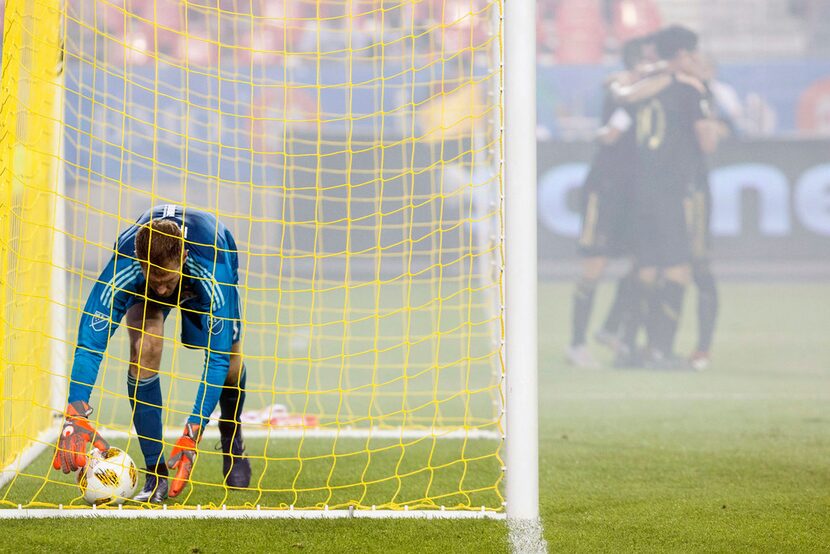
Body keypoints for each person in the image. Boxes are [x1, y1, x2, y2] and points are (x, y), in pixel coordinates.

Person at [52, 205, 250, 502]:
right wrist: (75, 413)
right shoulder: (126, 265)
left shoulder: (212, 265)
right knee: (145, 348)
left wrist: (192, 434)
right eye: (153, 279)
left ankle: (231, 436)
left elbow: (218, 358)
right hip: (151, 278)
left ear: (182, 258)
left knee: (232, 364)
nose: (160, 290)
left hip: (205, 272)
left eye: (167, 281)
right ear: (140, 262)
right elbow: (90, 343)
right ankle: (155, 472)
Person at [614, 25, 727, 369]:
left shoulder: (640, 87)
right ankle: (662, 350)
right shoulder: (690, 89)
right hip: (680, 190)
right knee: (684, 267)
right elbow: (706, 142)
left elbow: (621, 103)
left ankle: (628, 346)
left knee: (646, 267)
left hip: (641, 186)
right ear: (683, 56)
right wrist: (712, 117)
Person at [566, 36, 651, 368]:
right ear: (636, 64)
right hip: (606, 190)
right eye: (649, 61)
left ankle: (610, 328)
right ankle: (576, 345)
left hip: (633, 192)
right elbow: (611, 135)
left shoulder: (645, 96)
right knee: (595, 266)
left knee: (641, 263)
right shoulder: (623, 97)